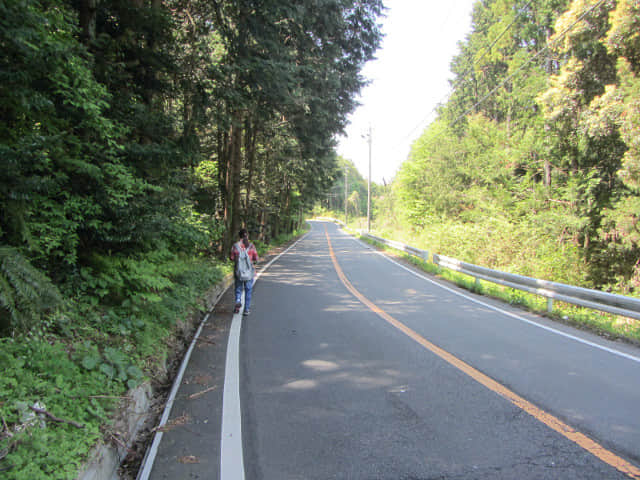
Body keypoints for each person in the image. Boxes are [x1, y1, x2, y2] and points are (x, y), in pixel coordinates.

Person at [230, 228, 259, 315]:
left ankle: (238, 302)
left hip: (238, 272)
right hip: (249, 273)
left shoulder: (235, 246)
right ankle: (246, 309)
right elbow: (256, 259)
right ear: (247, 236)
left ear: (239, 236)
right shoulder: (251, 246)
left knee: (238, 289)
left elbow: (231, 258)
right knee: (248, 290)